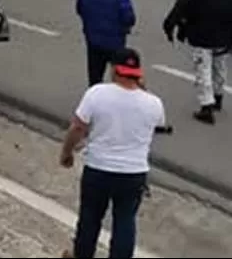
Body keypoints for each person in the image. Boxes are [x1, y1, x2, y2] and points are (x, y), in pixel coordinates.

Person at [60, 48, 166, 259]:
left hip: (98, 168)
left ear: (114, 70)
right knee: (125, 221)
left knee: (90, 217)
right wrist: (144, 90)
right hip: (133, 172)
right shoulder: (154, 103)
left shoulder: (97, 93)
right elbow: (158, 125)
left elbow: (78, 128)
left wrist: (67, 152)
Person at [76, 0, 137, 87]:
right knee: (118, 75)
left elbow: (80, 9)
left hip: (93, 39)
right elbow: (129, 18)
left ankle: (95, 97)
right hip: (115, 41)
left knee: (95, 73)